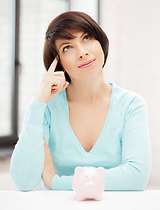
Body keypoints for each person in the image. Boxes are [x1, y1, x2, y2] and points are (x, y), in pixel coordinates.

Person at [10, 11, 151, 191]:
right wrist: (38, 102)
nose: (82, 52)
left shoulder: (131, 104)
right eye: (67, 47)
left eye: (87, 37)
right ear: (58, 63)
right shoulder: (47, 108)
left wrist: (56, 182)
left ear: (101, 42)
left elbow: (137, 177)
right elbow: (24, 181)